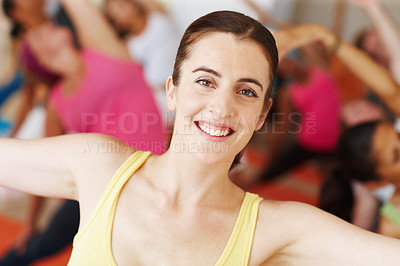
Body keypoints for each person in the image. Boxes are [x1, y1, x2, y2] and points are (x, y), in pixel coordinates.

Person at [1, 8, 400, 265]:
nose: (222, 107)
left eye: (246, 91)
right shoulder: (98, 165)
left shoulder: (277, 227)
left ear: (262, 114)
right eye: (206, 81)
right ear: (172, 90)